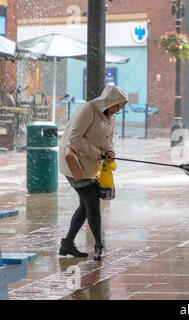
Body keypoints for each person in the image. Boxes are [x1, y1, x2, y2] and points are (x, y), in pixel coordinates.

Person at [58, 86, 127, 260]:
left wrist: (110, 152)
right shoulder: (89, 109)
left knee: (85, 205)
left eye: (120, 107)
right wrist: (98, 153)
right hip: (75, 164)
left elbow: (109, 139)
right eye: (117, 105)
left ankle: (67, 244)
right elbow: (74, 137)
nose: (118, 110)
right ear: (109, 102)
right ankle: (99, 244)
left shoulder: (110, 117)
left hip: (91, 167)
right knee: (92, 202)